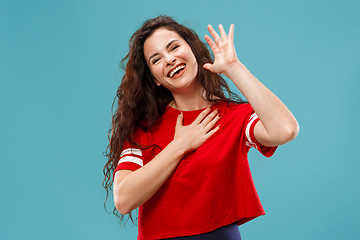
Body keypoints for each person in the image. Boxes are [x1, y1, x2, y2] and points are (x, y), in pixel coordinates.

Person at [103, 15, 299, 240]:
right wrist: (180, 145)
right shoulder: (144, 130)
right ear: (154, 78)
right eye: (156, 59)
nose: (169, 59)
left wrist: (234, 68)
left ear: (193, 49)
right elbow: (124, 200)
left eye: (174, 47)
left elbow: (285, 130)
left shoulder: (234, 117)